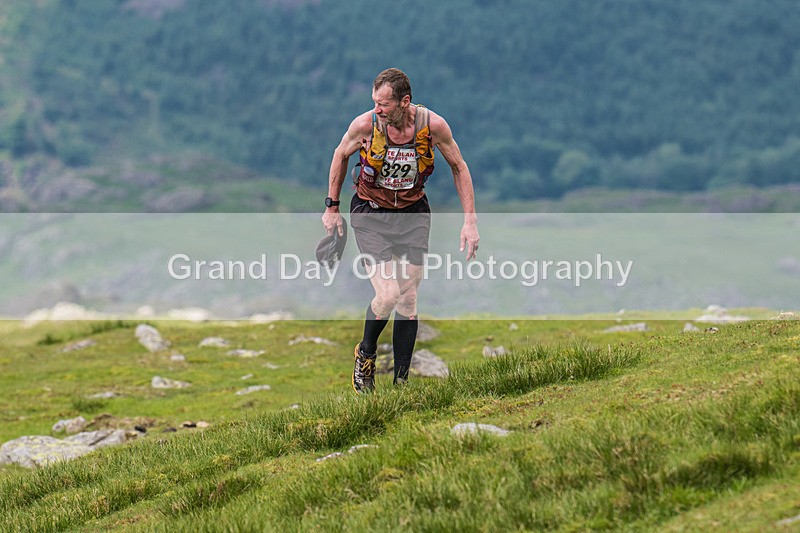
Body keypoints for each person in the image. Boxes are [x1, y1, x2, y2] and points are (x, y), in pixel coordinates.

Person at [322, 68, 479, 394]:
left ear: (404, 102)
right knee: (389, 294)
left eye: (384, 105)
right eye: (374, 103)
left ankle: (401, 385)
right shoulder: (365, 125)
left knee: (408, 298)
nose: (377, 110)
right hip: (371, 214)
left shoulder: (432, 126)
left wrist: (470, 221)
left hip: (413, 215)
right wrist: (332, 207)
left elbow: (459, 166)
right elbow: (340, 155)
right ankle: (366, 353)